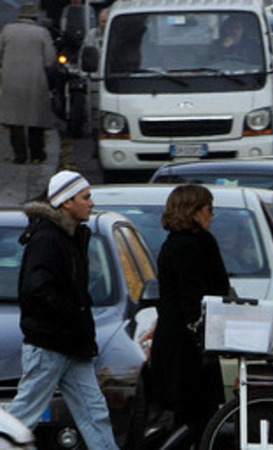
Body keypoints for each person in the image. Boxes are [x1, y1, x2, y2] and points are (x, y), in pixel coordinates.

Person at [7, 170, 119, 450]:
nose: (92, 203)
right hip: (50, 345)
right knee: (22, 418)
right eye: (86, 197)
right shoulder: (48, 239)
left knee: (95, 415)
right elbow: (39, 291)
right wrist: (73, 315)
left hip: (71, 345)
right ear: (66, 202)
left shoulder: (69, 236)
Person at [150, 184, 232, 448]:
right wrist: (203, 338)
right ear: (194, 212)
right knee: (197, 415)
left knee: (195, 414)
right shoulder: (190, 246)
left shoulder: (178, 244)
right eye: (209, 209)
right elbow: (193, 299)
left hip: (182, 342)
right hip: (188, 347)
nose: (212, 215)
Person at [0, 2, 57, 164]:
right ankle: (37, 153)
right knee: (35, 119)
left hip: (11, 80)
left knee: (14, 120)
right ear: (35, 17)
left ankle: (20, 155)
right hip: (35, 81)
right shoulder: (42, 33)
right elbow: (50, 59)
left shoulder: (7, 30)